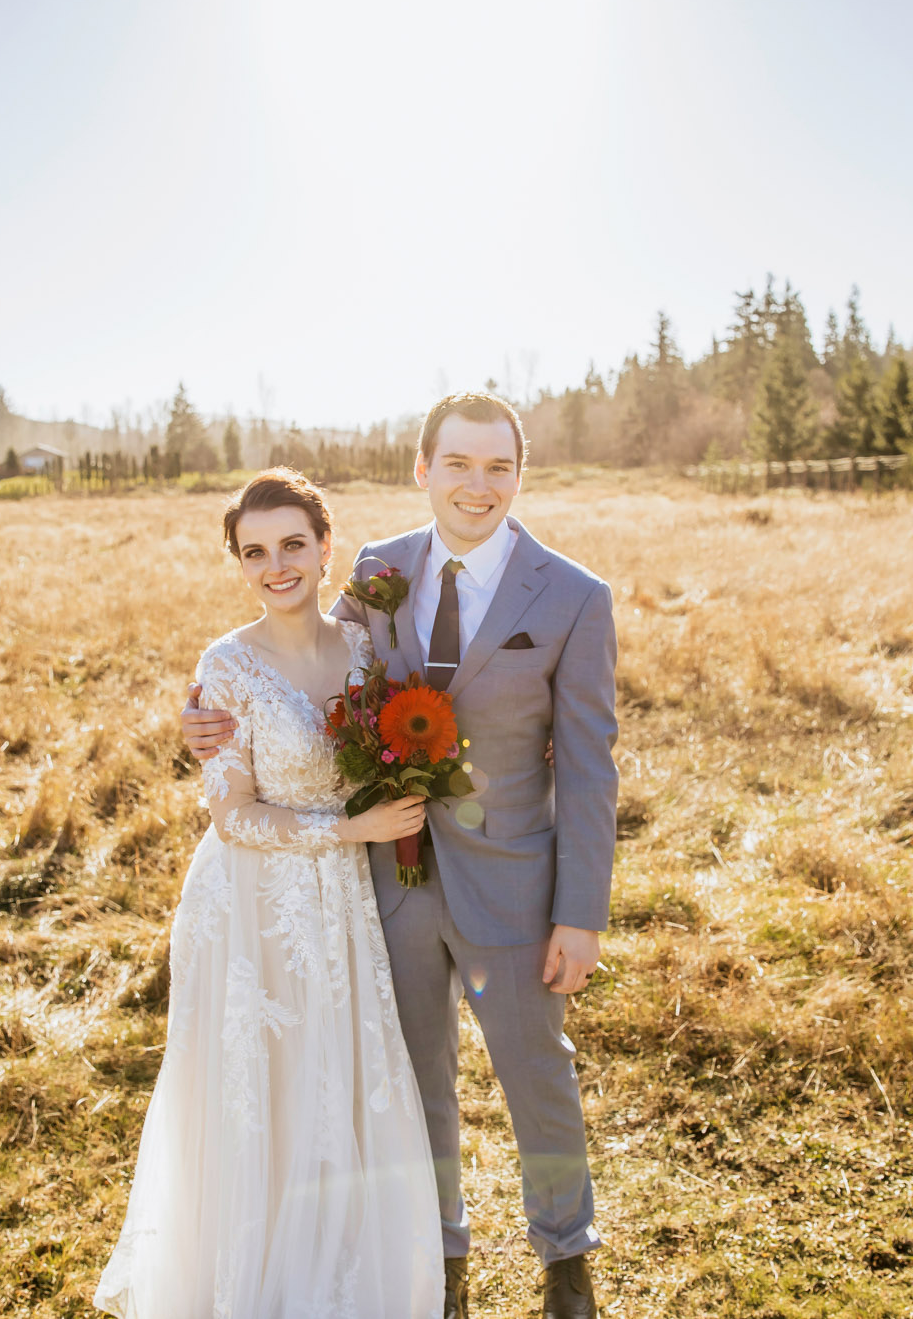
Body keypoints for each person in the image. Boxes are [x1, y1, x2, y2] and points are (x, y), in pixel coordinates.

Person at [182, 393, 618, 1319]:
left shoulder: (575, 597)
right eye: (458, 464)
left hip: (517, 884)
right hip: (394, 878)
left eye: (498, 466)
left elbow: (588, 770)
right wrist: (201, 711)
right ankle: (441, 1256)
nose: (478, 484)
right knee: (416, 1078)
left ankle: (565, 1257)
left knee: (537, 1074)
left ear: (519, 474)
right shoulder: (380, 570)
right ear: (423, 471)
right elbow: (294, 656)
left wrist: (580, 912)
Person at [94, 469, 443, 1318]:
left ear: (327, 547)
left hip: (344, 904)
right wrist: (351, 833)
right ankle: (249, 1279)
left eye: (293, 544)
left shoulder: (364, 646)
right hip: (252, 905)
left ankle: (340, 1270)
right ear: (239, 564)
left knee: (334, 1079)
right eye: (255, 552)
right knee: (262, 1088)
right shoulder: (225, 666)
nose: (276, 565)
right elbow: (233, 816)